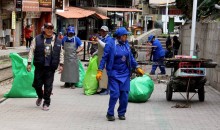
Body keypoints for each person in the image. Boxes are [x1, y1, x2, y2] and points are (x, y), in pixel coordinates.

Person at [96, 27, 144, 121]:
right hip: (114, 73)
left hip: (125, 73)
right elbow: (104, 58)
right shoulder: (110, 44)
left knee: (125, 95)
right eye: (124, 36)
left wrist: (137, 67)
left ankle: (121, 113)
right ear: (119, 36)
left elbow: (130, 58)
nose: (126, 37)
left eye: (126, 36)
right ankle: (110, 113)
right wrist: (100, 70)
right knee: (115, 94)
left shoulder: (126, 45)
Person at [26, 23, 64, 111]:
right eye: (48, 28)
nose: (50, 30)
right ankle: (40, 96)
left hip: (50, 67)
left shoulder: (57, 40)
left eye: (51, 28)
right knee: (36, 85)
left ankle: (46, 103)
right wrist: (29, 63)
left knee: (48, 86)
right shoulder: (37, 39)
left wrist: (61, 65)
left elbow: (61, 53)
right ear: (44, 29)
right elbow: (31, 50)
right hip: (40, 66)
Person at [94, 26, 112, 95]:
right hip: (101, 58)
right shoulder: (102, 38)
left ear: (107, 32)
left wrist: (98, 40)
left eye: (104, 31)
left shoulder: (109, 39)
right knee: (101, 73)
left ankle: (106, 89)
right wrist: (94, 53)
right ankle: (102, 87)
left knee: (105, 74)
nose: (102, 32)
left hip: (106, 59)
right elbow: (100, 49)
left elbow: (105, 46)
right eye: (101, 31)